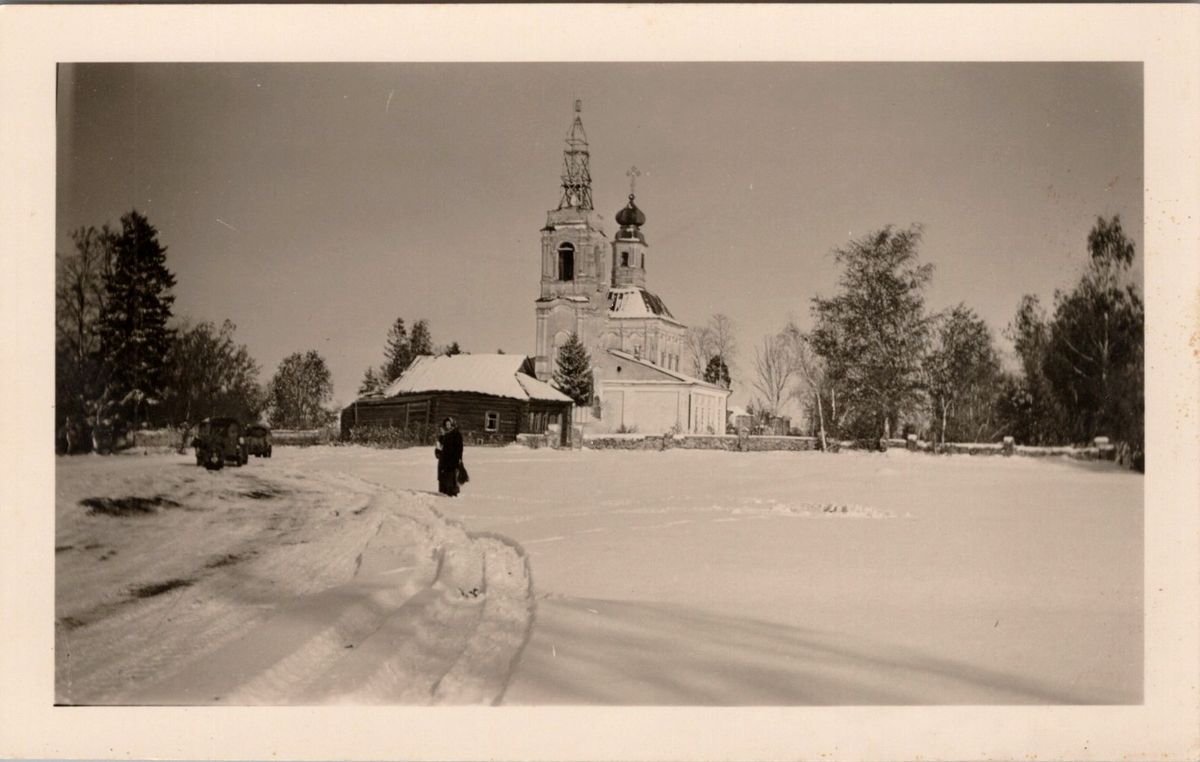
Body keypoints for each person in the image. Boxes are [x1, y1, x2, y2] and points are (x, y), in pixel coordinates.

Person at [434, 417, 464, 497]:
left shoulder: (456, 434)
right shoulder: (443, 435)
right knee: (443, 475)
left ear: (451, 424)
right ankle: (444, 491)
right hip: (443, 459)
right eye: (446, 424)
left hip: (453, 458)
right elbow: (438, 446)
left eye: (449, 424)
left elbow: (459, 447)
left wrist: (459, 458)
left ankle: (452, 492)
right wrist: (437, 452)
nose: (447, 425)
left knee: (452, 475)